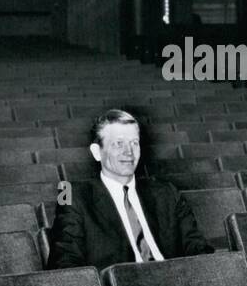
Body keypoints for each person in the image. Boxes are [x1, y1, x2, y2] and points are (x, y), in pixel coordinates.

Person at [46, 109, 213, 270]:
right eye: (119, 143)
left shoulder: (167, 191)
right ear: (97, 152)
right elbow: (63, 262)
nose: (129, 152)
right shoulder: (67, 192)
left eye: (134, 143)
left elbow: (197, 248)